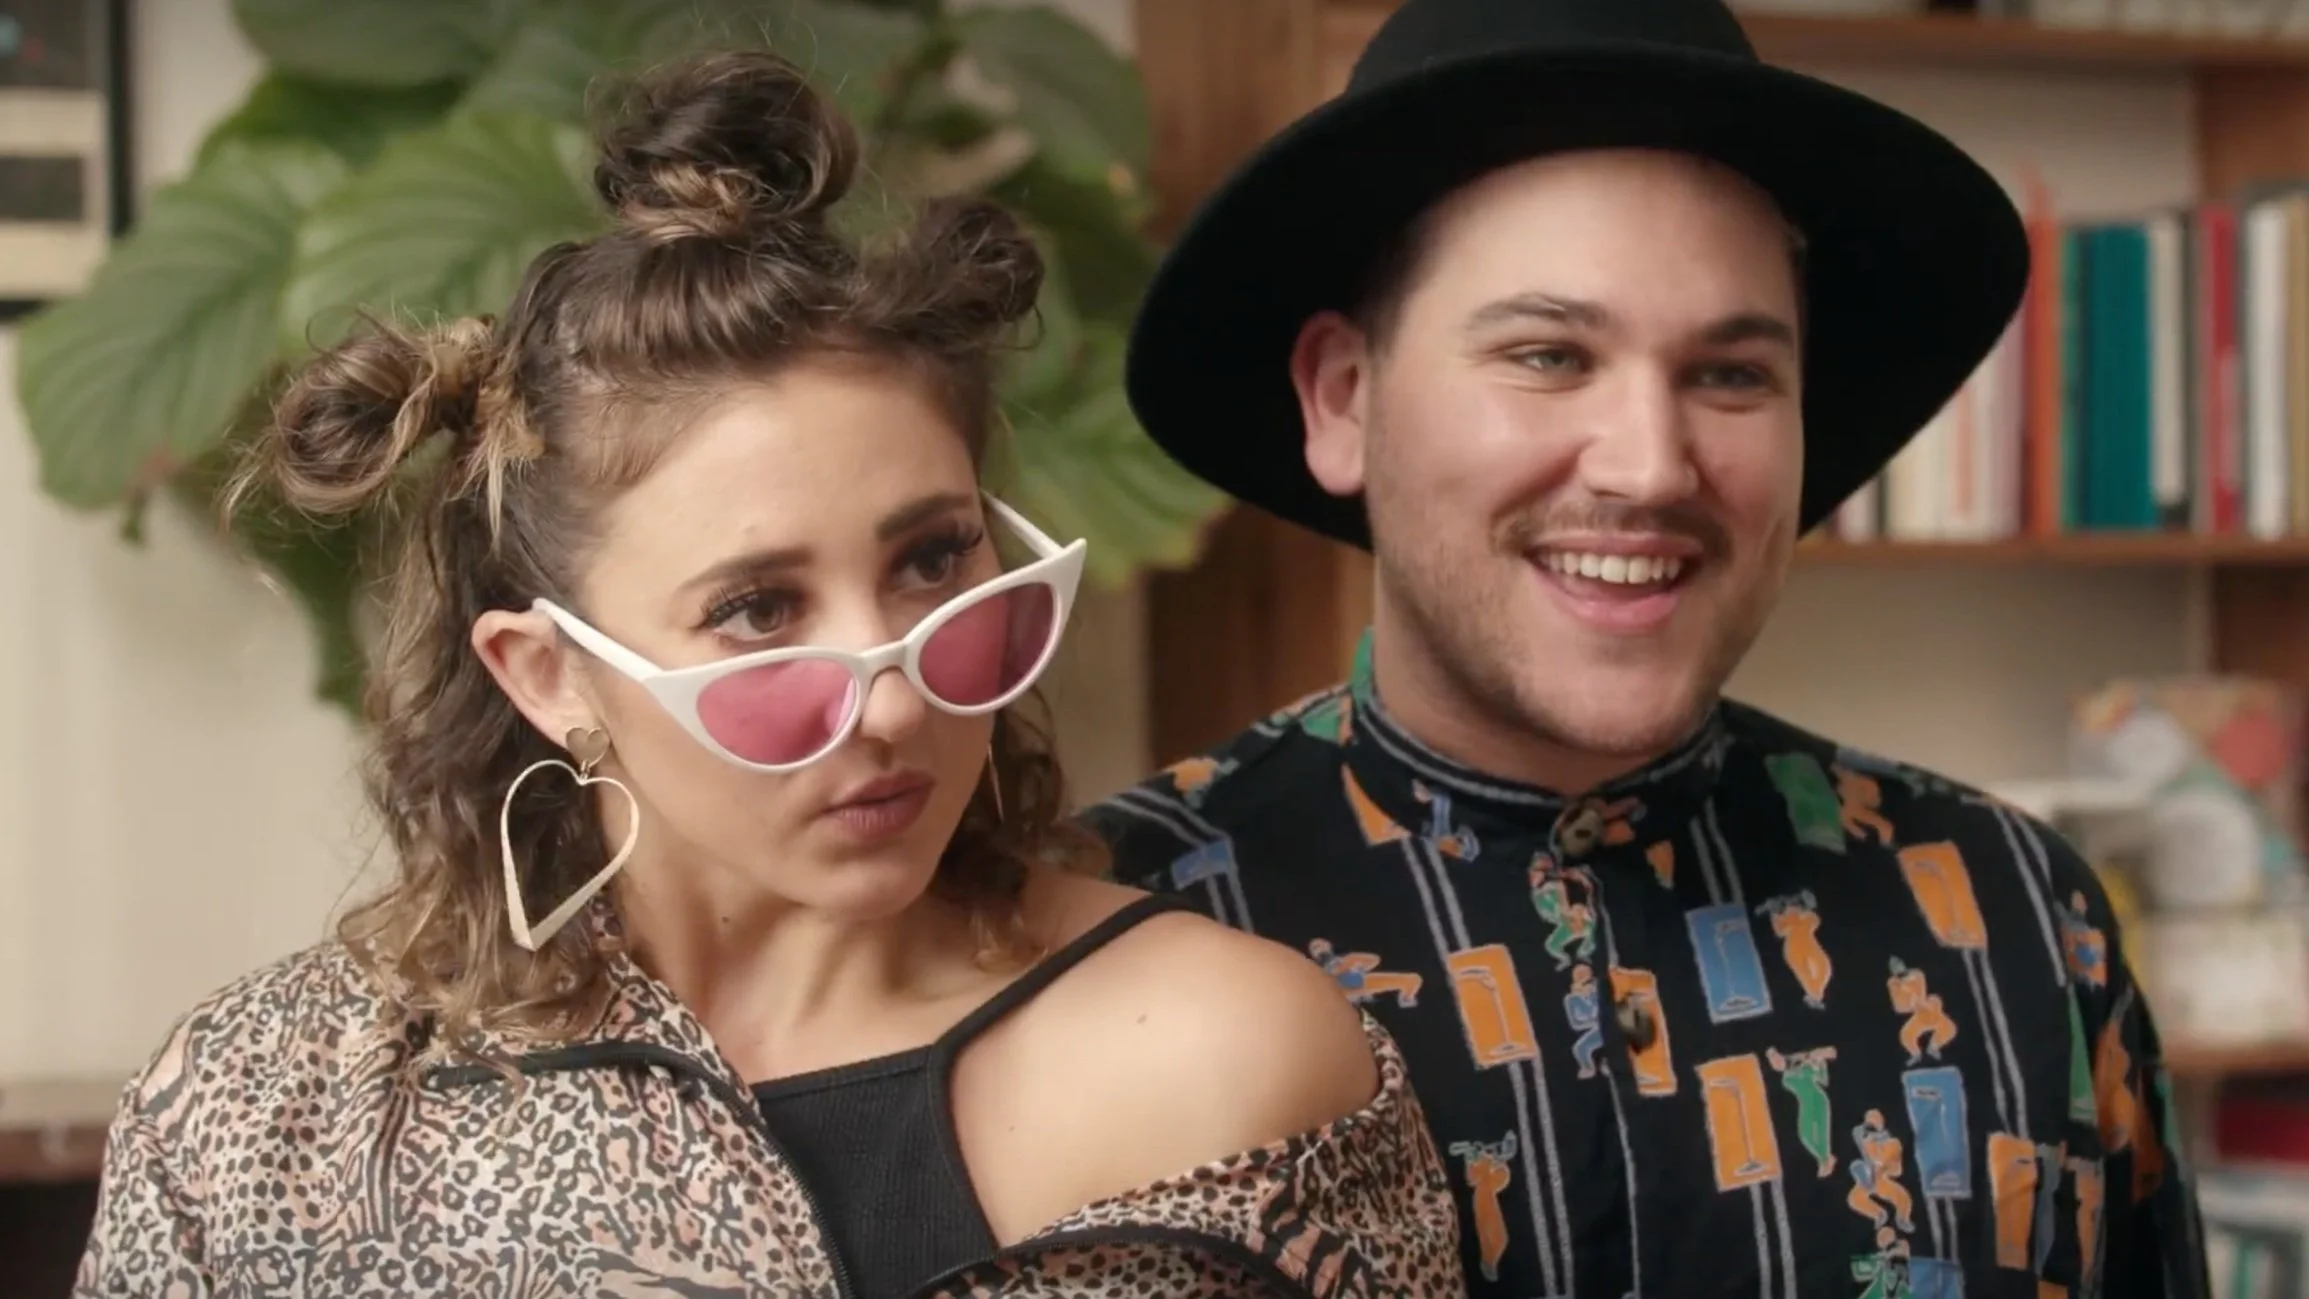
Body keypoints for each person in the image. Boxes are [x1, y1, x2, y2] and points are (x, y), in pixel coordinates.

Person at [73, 51, 1463, 1299]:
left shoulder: (1229, 1065)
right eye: (755, 610)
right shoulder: (268, 1115)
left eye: (932, 560)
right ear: (548, 673)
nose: (895, 699)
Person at [1086, 0, 2208, 1296]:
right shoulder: (1113, 927)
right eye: (1549, 355)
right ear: (1344, 398)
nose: (1652, 465)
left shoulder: (2015, 916)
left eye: (1731, 375)